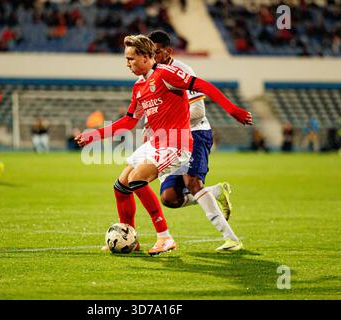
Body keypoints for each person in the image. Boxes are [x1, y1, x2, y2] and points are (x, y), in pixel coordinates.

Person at [75, 35, 252, 255]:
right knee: (121, 186)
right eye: (126, 59)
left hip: (176, 144)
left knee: (136, 179)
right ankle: (129, 236)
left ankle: (165, 238)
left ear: (146, 56)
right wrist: (94, 135)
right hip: (156, 143)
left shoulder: (166, 75)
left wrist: (233, 110)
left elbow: (202, 85)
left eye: (131, 58)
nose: (127, 63)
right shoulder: (139, 86)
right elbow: (129, 121)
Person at [147, 30, 233, 221]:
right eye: (149, 53)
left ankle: (230, 238)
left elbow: (198, 111)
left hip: (195, 133)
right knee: (169, 198)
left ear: (168, 52)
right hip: (172, 139)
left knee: (193, 183)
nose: (153, 57)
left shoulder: (182, 70)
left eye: (157, 52)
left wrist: (167, 122)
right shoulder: (152, 75)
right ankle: (215, 192)